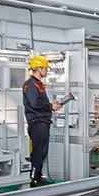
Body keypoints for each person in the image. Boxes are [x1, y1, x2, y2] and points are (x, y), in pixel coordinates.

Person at [23, 55, 62, 187]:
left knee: (42, 151)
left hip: (43, 122)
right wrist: (51, 106)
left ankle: (38, 177)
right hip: (37, 122)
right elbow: (35, 103)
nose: (47, 70)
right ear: (38, 68)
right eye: (45, 68)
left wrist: (52, 106)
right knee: (39, 151)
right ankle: (34, 179)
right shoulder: (31, 84)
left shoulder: (38, 84)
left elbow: (40, 103)